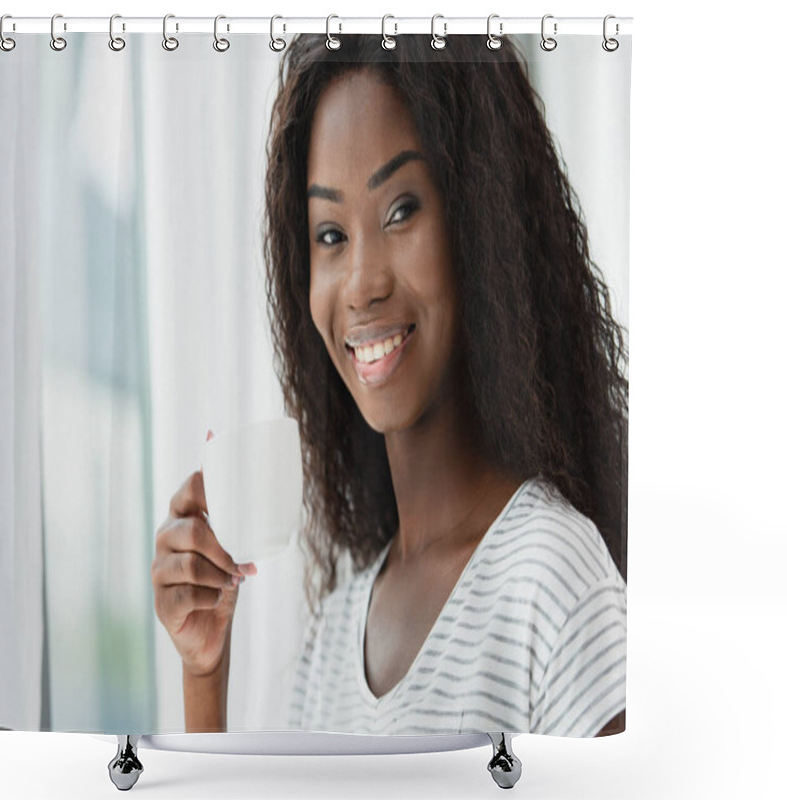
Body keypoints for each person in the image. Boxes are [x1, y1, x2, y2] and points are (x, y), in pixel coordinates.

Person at [152, 33, 628, 738]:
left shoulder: (551, 581)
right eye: (330, 235)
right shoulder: (337, 634)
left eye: (402, 210)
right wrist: (202, 671)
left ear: (479, 220)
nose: (363, 283)